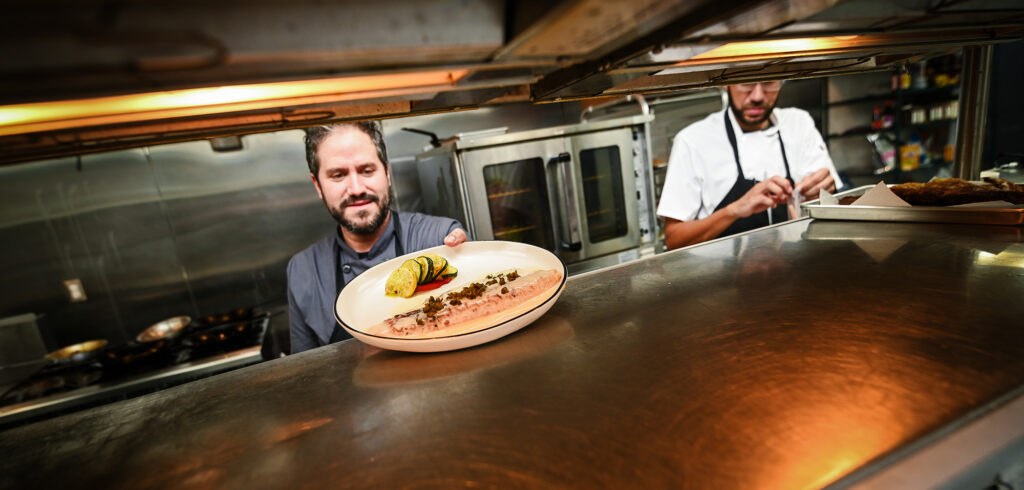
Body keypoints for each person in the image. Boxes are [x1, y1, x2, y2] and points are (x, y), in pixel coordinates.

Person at [287, 121, 468, 354]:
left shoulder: (438, 239)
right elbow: (306, 373)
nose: (356, 189)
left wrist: (462, 257)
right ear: (318, 185)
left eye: (366, 170)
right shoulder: (303, 271)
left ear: (387, 173)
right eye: (338, 175)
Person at [657, 80, 842, 250]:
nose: (757, 96)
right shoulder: (693, 141)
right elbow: (674, 239)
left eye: (769, 83)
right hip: (723, 280)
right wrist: (734, 210)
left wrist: (824, 194)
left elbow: (834, 211)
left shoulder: (799, 124)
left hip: (795, 270)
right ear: (725, 84)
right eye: (746, 83)